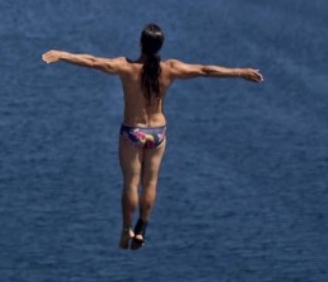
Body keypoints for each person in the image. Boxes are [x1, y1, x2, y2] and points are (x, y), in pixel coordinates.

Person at [42, 23, 264, 249]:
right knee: (150, 182)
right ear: (160, 46)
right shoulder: (170, 69)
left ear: (140, 43)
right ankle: (142, 228)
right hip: (157, 133)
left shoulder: (125, 67)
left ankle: (126, 229)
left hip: (133, 132)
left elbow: (92, 61)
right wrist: (240, 72)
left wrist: (63, 55)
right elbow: (205, 70)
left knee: (131, 182)